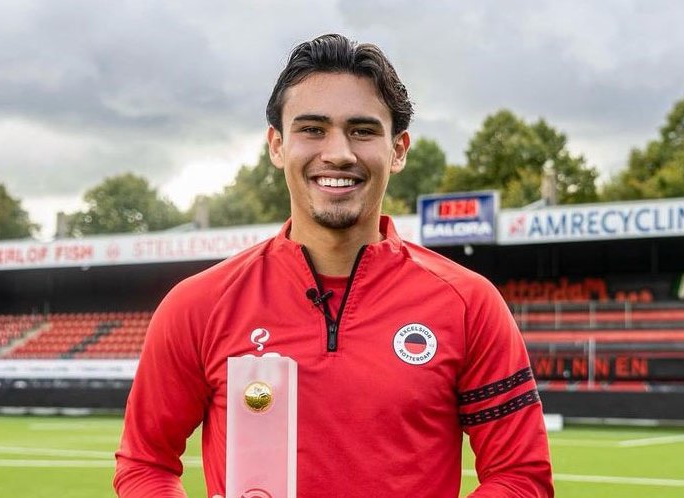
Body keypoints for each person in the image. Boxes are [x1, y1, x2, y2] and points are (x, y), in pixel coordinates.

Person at [114, 33, 553, 497]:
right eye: (312, 129)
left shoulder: (469, 304)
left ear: (398, 150)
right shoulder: (198, 304)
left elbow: (519, 475)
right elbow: (145, 463)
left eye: (362, 131)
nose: (339, 153)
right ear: (277, 145)